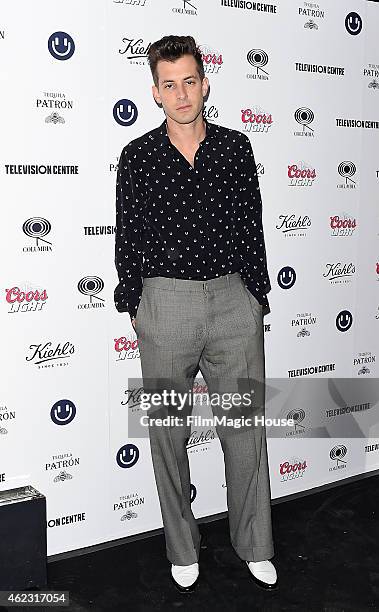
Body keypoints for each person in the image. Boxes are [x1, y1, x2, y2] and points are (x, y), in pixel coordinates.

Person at [114, 35, 277, 593]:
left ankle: (255, 543)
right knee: (167, 433)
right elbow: (128, 235)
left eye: (190, 81)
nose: (181, 94)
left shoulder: (236, 148)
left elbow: (252, 227)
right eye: (169, 84)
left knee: (246, 429)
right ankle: (182, 550)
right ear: (155, 93)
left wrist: (256, 296)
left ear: (204, 85)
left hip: (234, 300)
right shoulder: (137, 156)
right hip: (165, 303)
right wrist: (135, 303)